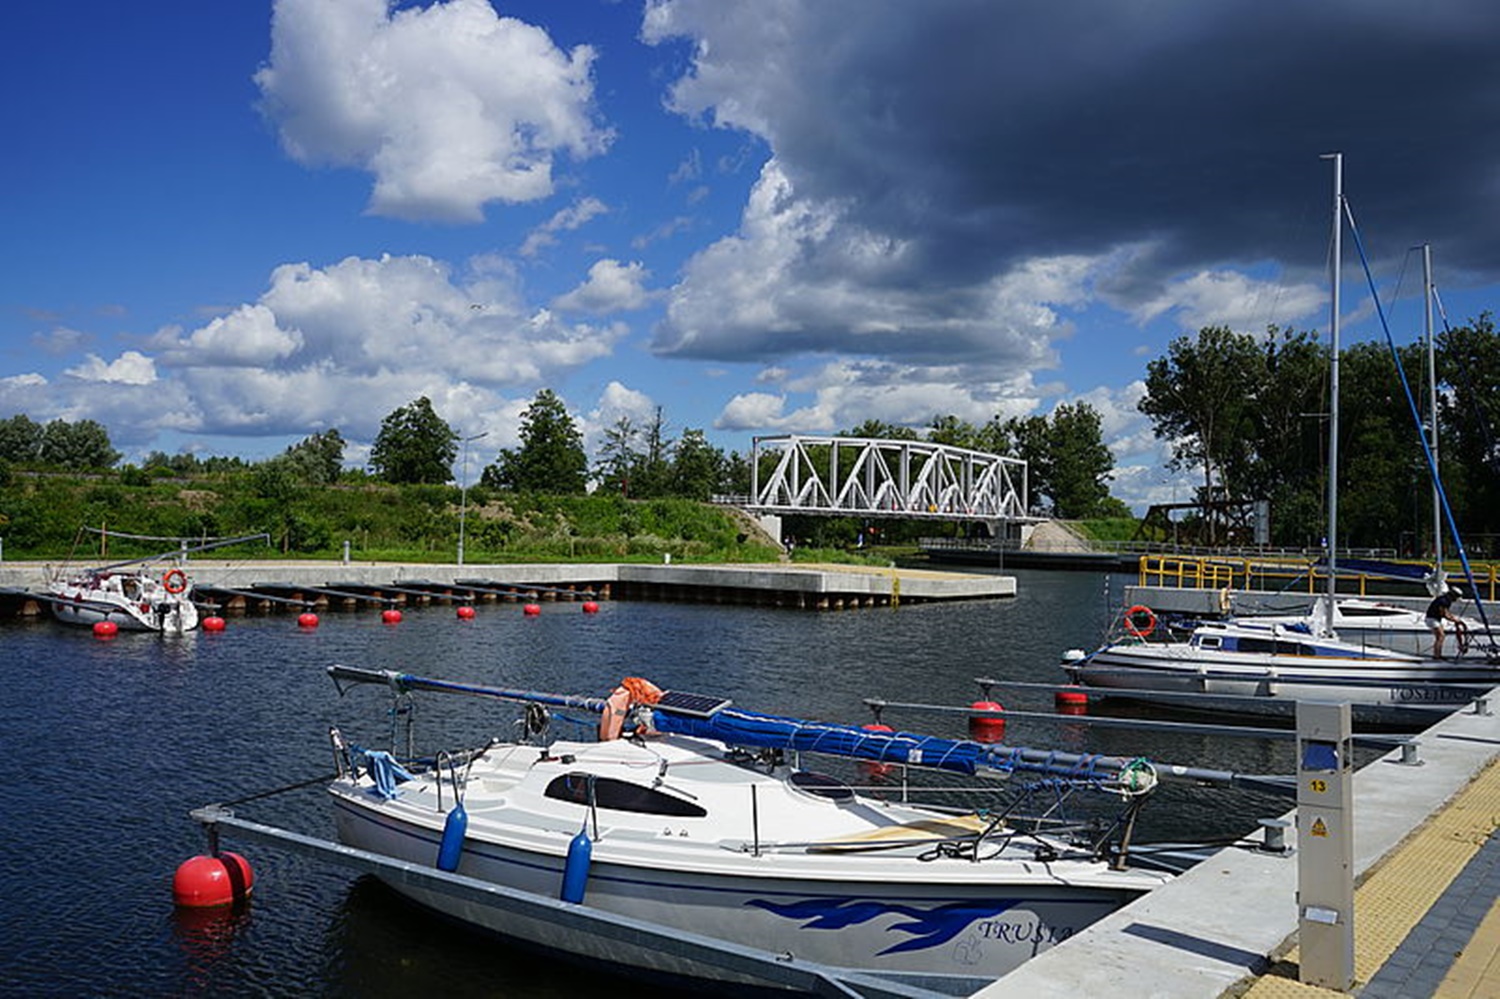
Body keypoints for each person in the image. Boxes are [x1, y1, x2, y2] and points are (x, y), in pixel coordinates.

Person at [1426, 587, 1465, 658]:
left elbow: (1446, 612)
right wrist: (1454, 620)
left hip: (1435, 619)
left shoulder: (1446, 599)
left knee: (1440, 636)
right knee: (1441, 636)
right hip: (1432, 619)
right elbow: (1443, 613)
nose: (1456, 600)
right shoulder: (1444, 601)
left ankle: (1437, 655)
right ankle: (1437, 656)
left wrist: (1453, 618)